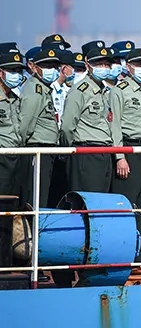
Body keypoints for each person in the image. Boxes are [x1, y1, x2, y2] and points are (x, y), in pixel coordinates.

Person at [109, 48, 141, 261]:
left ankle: (139, 257)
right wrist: (120, 156)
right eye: (140, 65)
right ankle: (123, 255)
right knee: (126, 206)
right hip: (129, 150)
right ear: (128, 67)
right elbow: (115, 126)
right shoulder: (119, 91)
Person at [61, 46, 114, 192]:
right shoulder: (80, 91)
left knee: (102, 199)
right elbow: (67, 126)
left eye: (106, 64)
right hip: (86, 152)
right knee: (86, 198)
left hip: (104, 151)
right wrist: (69, 150)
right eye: (98, 64)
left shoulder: (105, 91)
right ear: (88, 65)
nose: (103, 68)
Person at [18, 46, 61, 208]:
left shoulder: (43, 89)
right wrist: (22, 147)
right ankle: (32, 224)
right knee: (36, 197)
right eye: (46, 66)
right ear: (35, 68)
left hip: (45, 150)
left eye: (54, 66)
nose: (52, 70)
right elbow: (26, 123)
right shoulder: (34, 89)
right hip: (37, 149)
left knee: (43, 196)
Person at [0, 51, 24, 198]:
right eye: (12, 70)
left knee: (13, 200)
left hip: (16, 155)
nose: (16, 74)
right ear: (1, 72)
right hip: (1, 156)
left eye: (18, 70)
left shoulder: (15, 98)